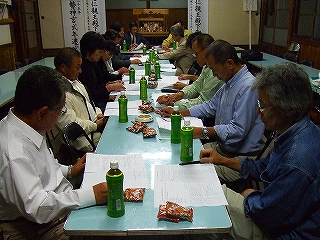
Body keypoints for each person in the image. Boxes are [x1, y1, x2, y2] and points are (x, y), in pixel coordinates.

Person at [199, 62, 320, 239]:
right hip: (274, 210)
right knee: (211, 193)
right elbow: (263, 168)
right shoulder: (294, 132)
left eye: (263, 105)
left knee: (208, 206)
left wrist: (251, 197)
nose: (257, 111)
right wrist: (222, 160)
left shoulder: (296, 160)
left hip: (282, 231)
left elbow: (268, 214)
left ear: (289, 109)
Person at [0, 65, 108, 239]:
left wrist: (71, 169)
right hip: (37, 227)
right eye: (60, 110)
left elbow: (42, 167)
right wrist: (91, 195)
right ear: (42, 112)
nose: (60, 117)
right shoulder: (13, 151)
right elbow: (38, 208)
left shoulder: (27, 125)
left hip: (58, 205)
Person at [159, 40, 264, 183]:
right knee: (180, 152)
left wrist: (203, 131)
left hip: (239, 157)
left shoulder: (247, 87)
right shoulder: (231, 82)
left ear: (230, 63)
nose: (214, 75)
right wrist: (178, 113)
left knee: (188, 173)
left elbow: (238, 130)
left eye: (215, 69)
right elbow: (210, 106)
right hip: (223, 148)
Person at [50, 47, 107, 158]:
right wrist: (95, 125)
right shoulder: (58, 92)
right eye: (78, 67)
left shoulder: (74, 81)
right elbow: (70, 123)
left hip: (93, 128)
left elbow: (90, 102)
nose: (80, 71)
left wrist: (98, 113)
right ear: (63, 68)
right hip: (84, 139)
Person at [157, 34, 224, 110]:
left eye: (195, 53)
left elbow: (202, 102)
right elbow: (196, 85)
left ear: (207, 50)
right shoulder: (206, 66)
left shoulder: (216, 71)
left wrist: (173, 104)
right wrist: (180, 94)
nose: (194, 57)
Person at [78, 31, 125, 111]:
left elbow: (97, 86)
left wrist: (109, 84)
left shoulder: (92, 63)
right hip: (94, 107)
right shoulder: (83, 67)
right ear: (89, 50)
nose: (101, 55)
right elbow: (92, 95)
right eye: (99, 52)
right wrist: (109, 87)